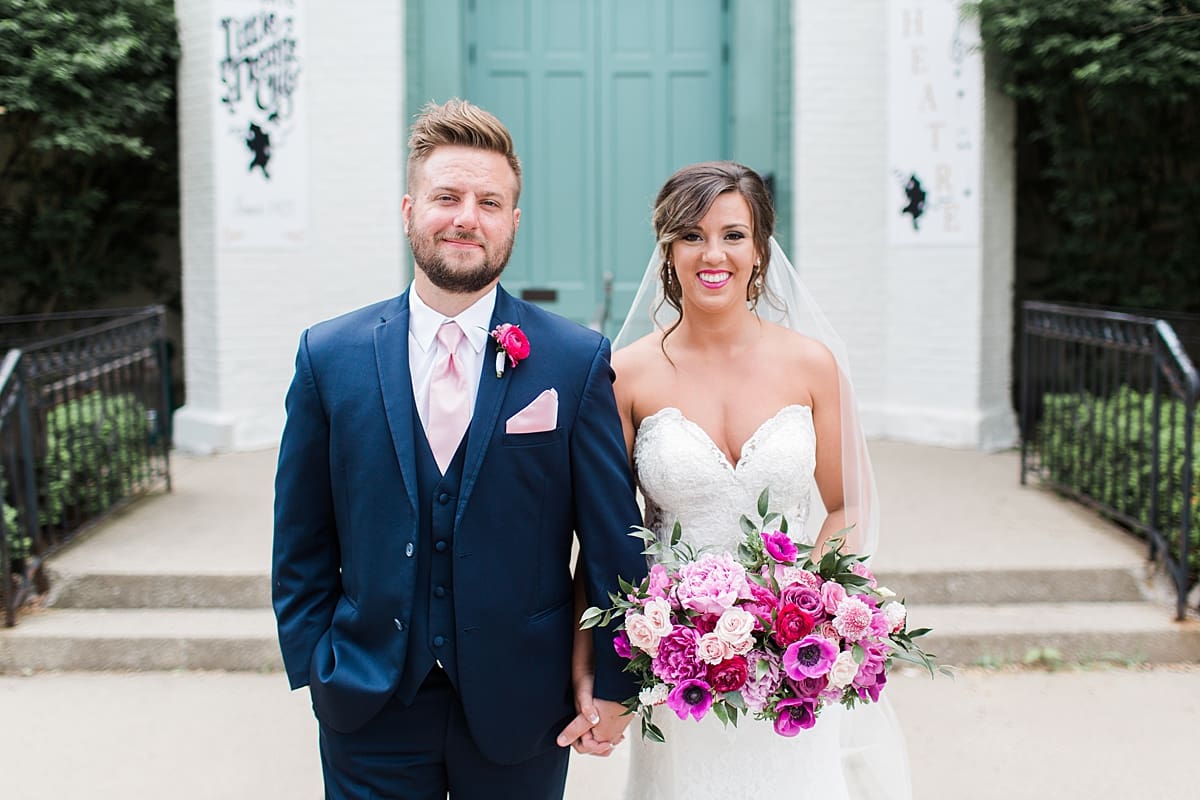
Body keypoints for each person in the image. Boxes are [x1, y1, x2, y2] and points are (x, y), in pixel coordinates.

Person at [272, 98, 646, 799]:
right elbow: (300, 535)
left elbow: (611, 540)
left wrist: (619, 680)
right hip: (368, 699)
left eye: (489, 201)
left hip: (524, 704)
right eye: (447, 196)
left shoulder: (574, 359)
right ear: (410, 208)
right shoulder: (330, 355)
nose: (466, 217)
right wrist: (317, 663)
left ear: (513, 221)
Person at [574, 161, 911, 798]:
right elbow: (604, 535)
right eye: (691, 235)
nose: (713, 254)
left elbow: (844, 505)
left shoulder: (811, 365)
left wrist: (806, 613)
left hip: (792, 669)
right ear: (667, 250)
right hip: (677, 667)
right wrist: (607, 665)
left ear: (760, 250)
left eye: (733, 234)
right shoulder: (628, 374)